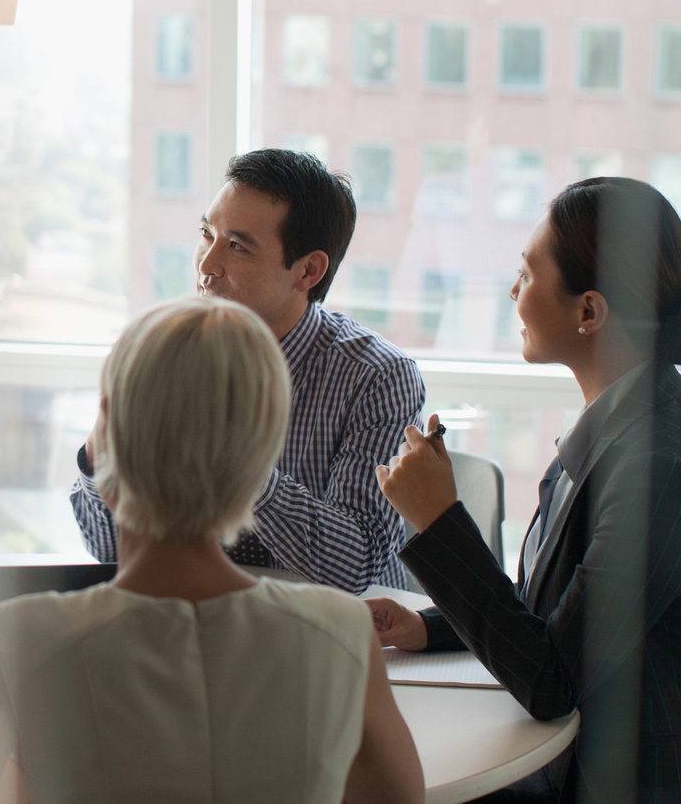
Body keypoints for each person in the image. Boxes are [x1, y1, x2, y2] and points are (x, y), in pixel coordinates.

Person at [0, 296, 424, 804]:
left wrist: (58, 794)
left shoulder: (25, 637)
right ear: (264, 456)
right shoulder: (340, 630)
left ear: (107, 428)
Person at [354, 178, 681, 804]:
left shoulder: (660, 461)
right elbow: (559, 616)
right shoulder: (622, 421)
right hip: (589, 777)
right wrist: (429, 628)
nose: (514, 293)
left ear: (590, 310)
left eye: (525, 274)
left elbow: (552, 680)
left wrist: (440, 522)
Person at [72, 149, 423, 592]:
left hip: (331, 635)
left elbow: (355, 568)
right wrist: (99, 454)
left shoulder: (377, 377)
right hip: (199, 623)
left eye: (236, 247)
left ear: (308, 271)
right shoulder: (171, 352)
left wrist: (234, 455)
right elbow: (109, 551)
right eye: (206, 233)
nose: (205, 265)